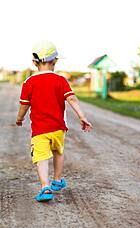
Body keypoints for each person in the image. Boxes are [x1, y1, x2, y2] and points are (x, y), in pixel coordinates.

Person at [15, 40, 92, 202]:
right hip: (58, 128)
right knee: (58, 152)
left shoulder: (29, 82)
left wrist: (19, 118)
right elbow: (71, 99)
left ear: (34, 62)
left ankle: (45, 187)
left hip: (39, 130)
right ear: (55, 61)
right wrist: (81, 116)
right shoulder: (60, 80)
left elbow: (24, 105)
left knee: (41, 157)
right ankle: (57, 180)